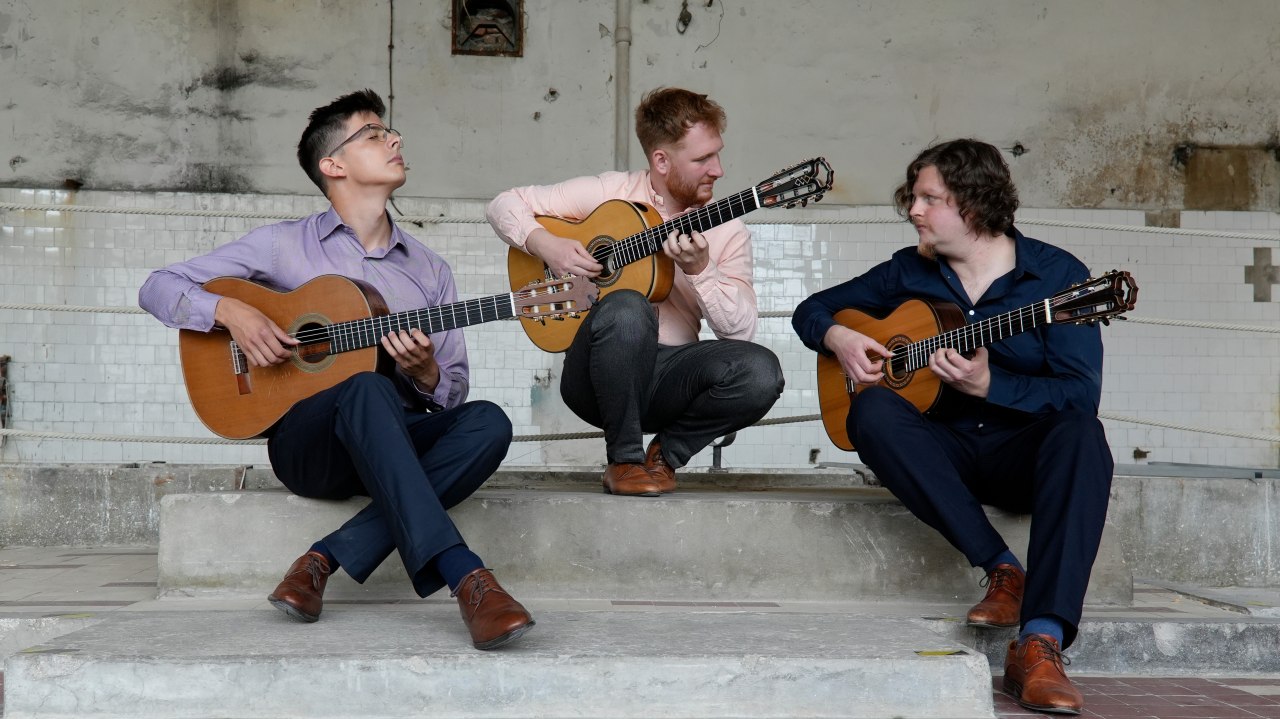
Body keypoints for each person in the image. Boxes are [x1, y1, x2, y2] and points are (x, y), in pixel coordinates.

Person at [138, 89, 534, 650]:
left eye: (390, 132)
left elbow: (451, 391)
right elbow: (157, 286)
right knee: (365, 387)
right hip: (312, 447)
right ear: (333, 165)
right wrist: (231, 311)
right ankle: (466, 576)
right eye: (374, 134)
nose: (394, 139)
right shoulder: (281, 247)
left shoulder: (429, 269)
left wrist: (424, 373)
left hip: (393, 439)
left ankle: (323, 558)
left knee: (489, 421)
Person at [792, 139, 1112, 714]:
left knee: (1084, 435)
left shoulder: (1058, 278)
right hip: (944, 456)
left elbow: (1079, 395)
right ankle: (1003, 569)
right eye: (913, 197)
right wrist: (838, 337)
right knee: (871, 409)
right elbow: (811, 309)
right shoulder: (907, 271)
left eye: (928, 199)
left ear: (973, 203)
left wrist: (992, 386)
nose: (913, 210)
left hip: (1021, 455)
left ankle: (1040, 643)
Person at [486, 87, 784, 496]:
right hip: (595, 379)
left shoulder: (728, 229)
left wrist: (701, 270)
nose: (718, 170)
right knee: (628, 305)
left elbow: (740, 333)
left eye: (717, 154)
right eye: (702, 159)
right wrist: (546, 245)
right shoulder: (610, 192)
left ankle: (663, 458)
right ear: (661, 160)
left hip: (671, 380)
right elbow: (503, 204)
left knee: (762, 371)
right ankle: (624, 462)